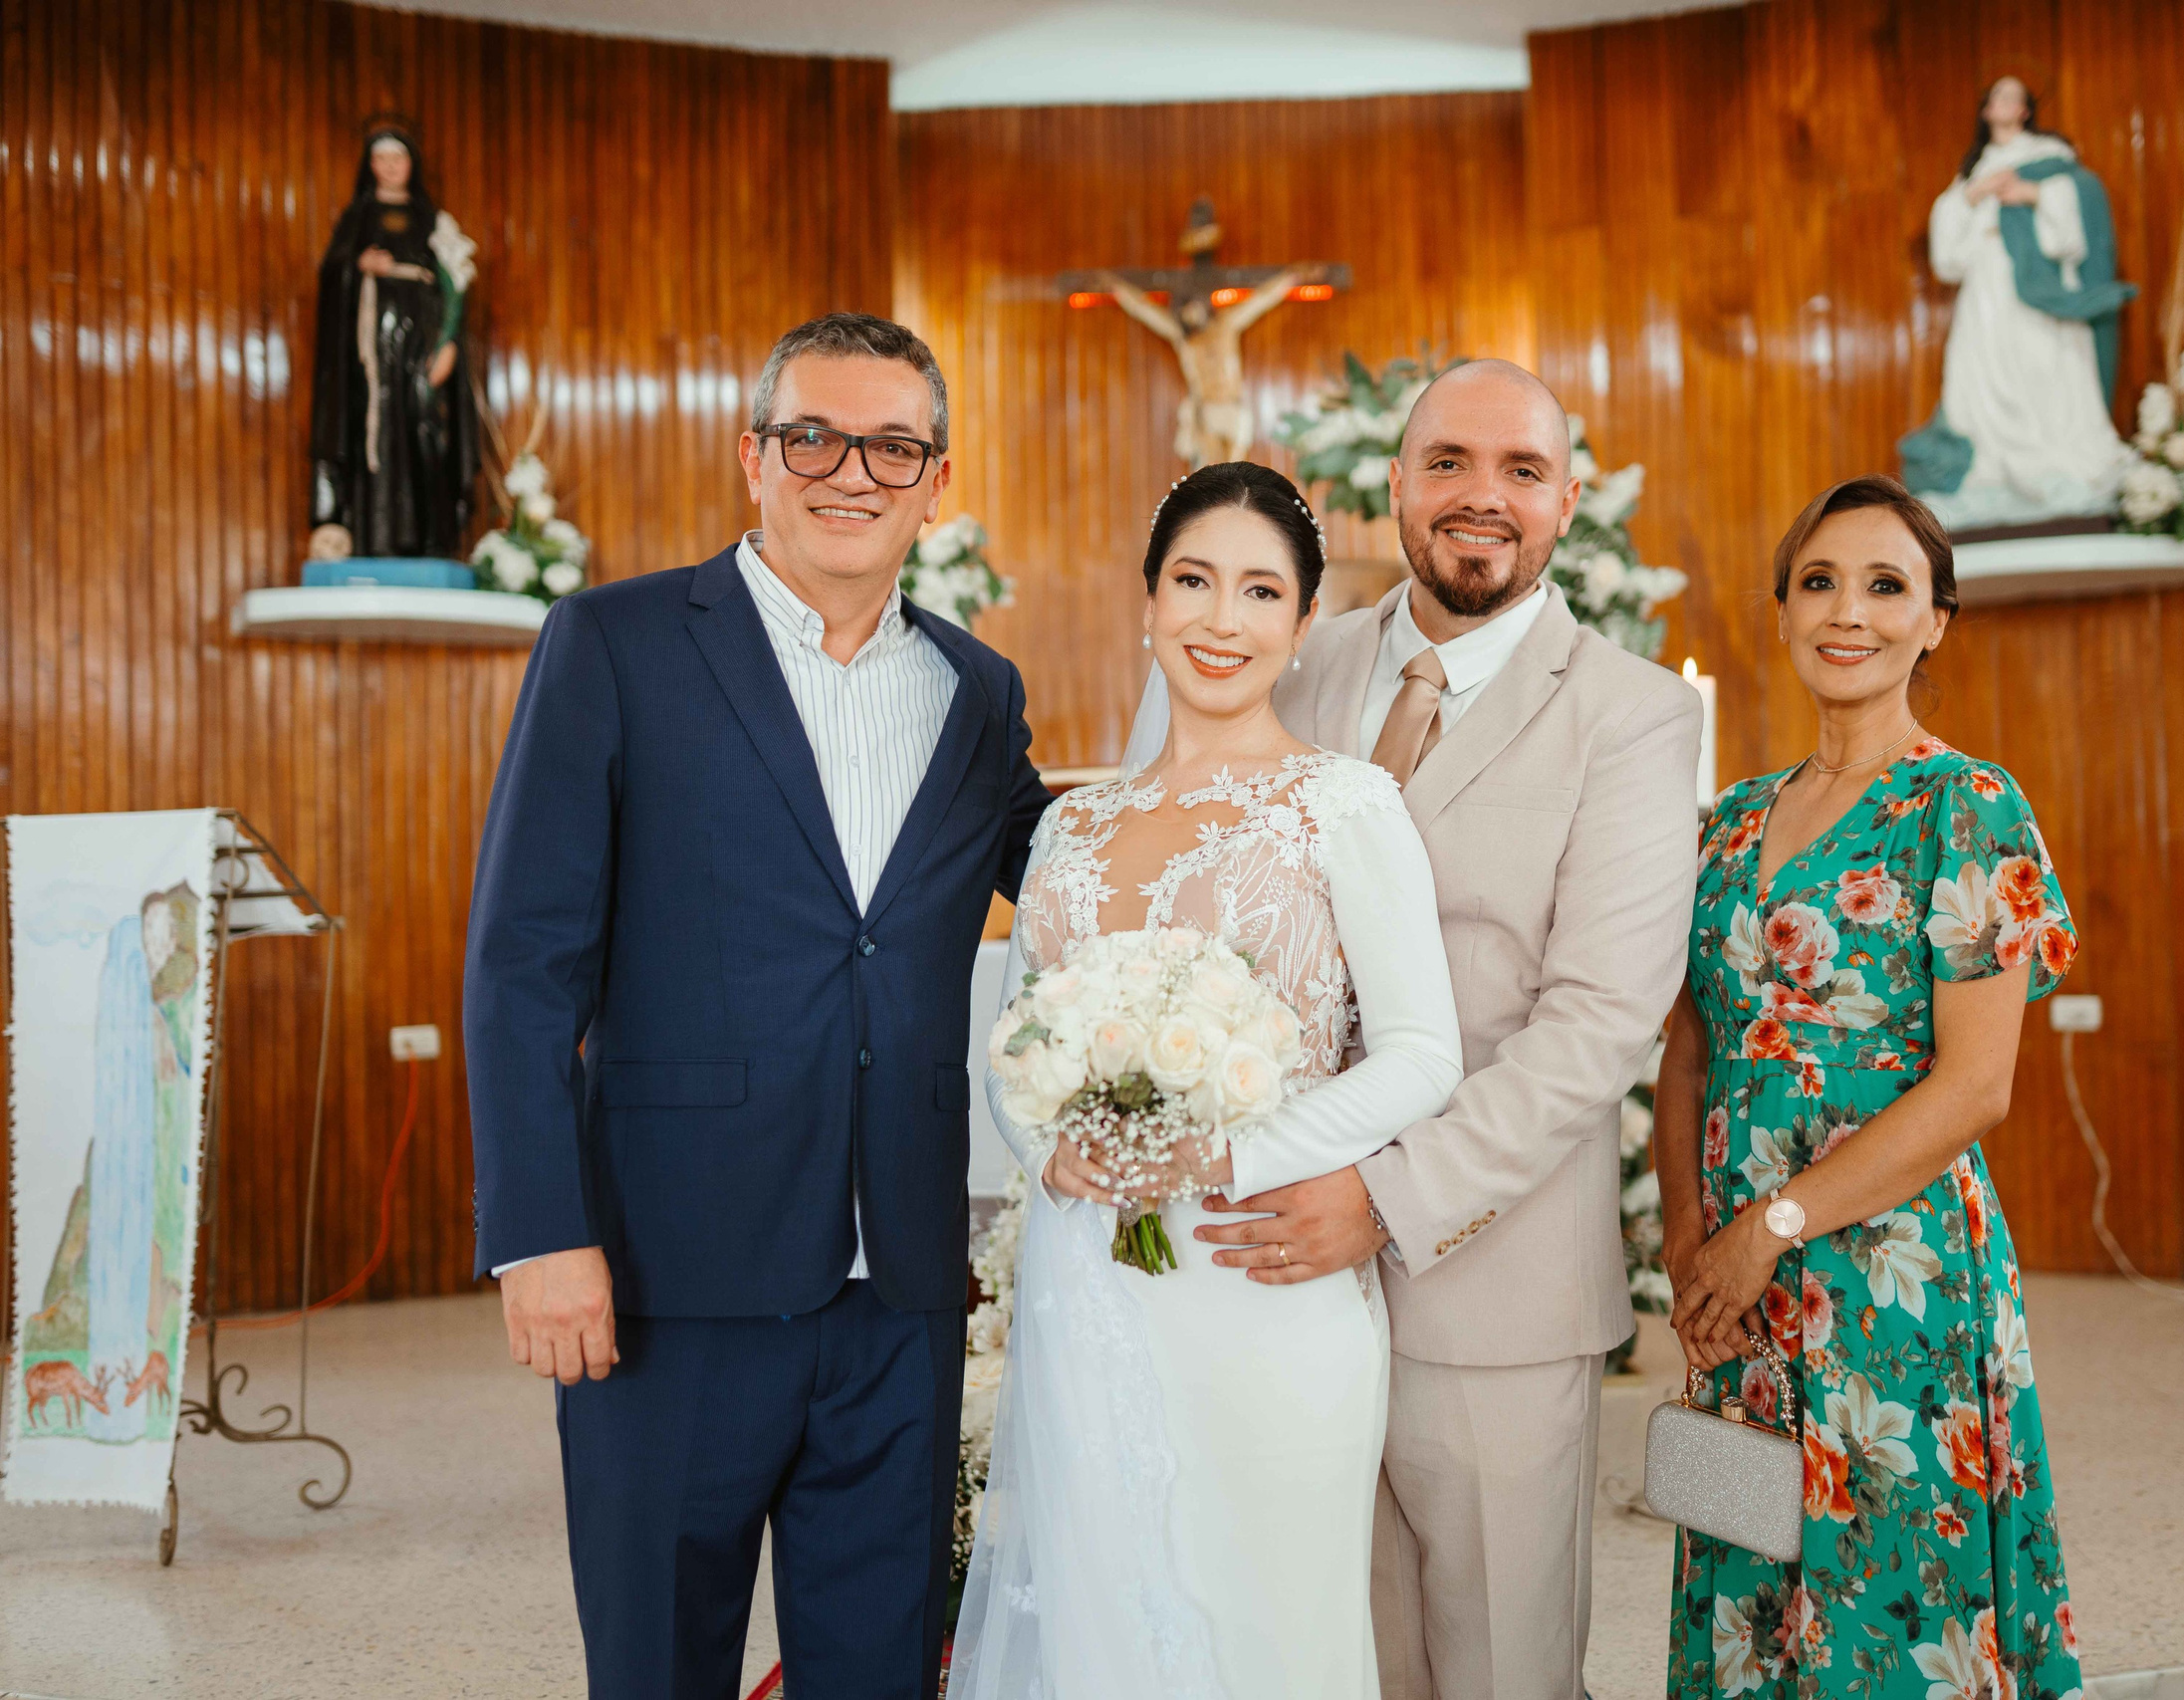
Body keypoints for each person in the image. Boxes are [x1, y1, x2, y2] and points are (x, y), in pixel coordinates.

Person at [464, 312, 1051, 1699]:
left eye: (892, 446)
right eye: (814, 437)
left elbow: (1080, 879)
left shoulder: (977, 690)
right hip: (668, 1277)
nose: (852, 472)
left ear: (936, 479)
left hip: (899, 1288)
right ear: (755, 456)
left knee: (880, 1667)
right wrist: (539, 1231)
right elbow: (523, 958)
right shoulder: (613, 643)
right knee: (659, 1661)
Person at [1175, 359, 1707, 1700]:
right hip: (1271, 1270)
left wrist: (1384, 1198)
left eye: (1522, 469)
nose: (1484, 495)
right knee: (1327, 1654)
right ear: (1395, 483)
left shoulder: (1632, 713)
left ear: (1568, 501)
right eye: (1450, 462)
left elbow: (1599, 1022)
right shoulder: (1294, 655)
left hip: (1492, 1282)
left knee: (1498, 1669)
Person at [949, 461, 1467, 1699]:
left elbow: (1422, 1053)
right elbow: (1019, 1044)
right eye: (1192, 581)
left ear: (1303, 623)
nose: (1220, 619)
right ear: (1148, 602)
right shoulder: (1069, 826)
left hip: (1260, 1271)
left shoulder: (1342, 804)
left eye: (1259, 591)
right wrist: (1047, 1149)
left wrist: (1229, 1154)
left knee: (1265, 1625)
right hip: (1091, 1283)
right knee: (1099, 1616)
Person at [1652, 474, 2084, 1700]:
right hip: (1733, 1280)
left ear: (1934, 620)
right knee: (1751, 1583)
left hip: (1892, 1277)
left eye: (1885, 586)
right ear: (1783, 611)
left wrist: (1772, 1228)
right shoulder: (1727, 824)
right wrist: (1689, 1243)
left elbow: (1976, 1087)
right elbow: (1688, 1050)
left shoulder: (1967, 806)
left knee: (1887, 1598)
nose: (1848, 611)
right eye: (1819, 582)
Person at [1899, 77, 2135, 532]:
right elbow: (1948, 248)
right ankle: (1990, 472)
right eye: (1997, 97)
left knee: (2044, 362)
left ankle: (2053, 467)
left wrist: (2034, 194)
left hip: (2033, 279)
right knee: (1978, 372)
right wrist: (1975, 193)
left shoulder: (2048, 158)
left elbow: (2082, 199)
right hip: (1986, 282)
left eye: (2015, 97)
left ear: (2026, 111)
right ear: (1986, 111)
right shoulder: (1975, 171)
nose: (2005, 103)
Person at [308, 124, 478, 560]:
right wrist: (357, 265)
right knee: (373, 437)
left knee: (426, 430)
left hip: (421, 350)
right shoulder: (357, 218)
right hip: (369, 359)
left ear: (411, 164)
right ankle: (373, 540)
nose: (389, 167)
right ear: (370, 165)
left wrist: (448, 344)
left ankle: (431, 540)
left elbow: (453, 286)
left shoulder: (432, 220)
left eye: (397, 158)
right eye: (381, 159)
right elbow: (332, 274)